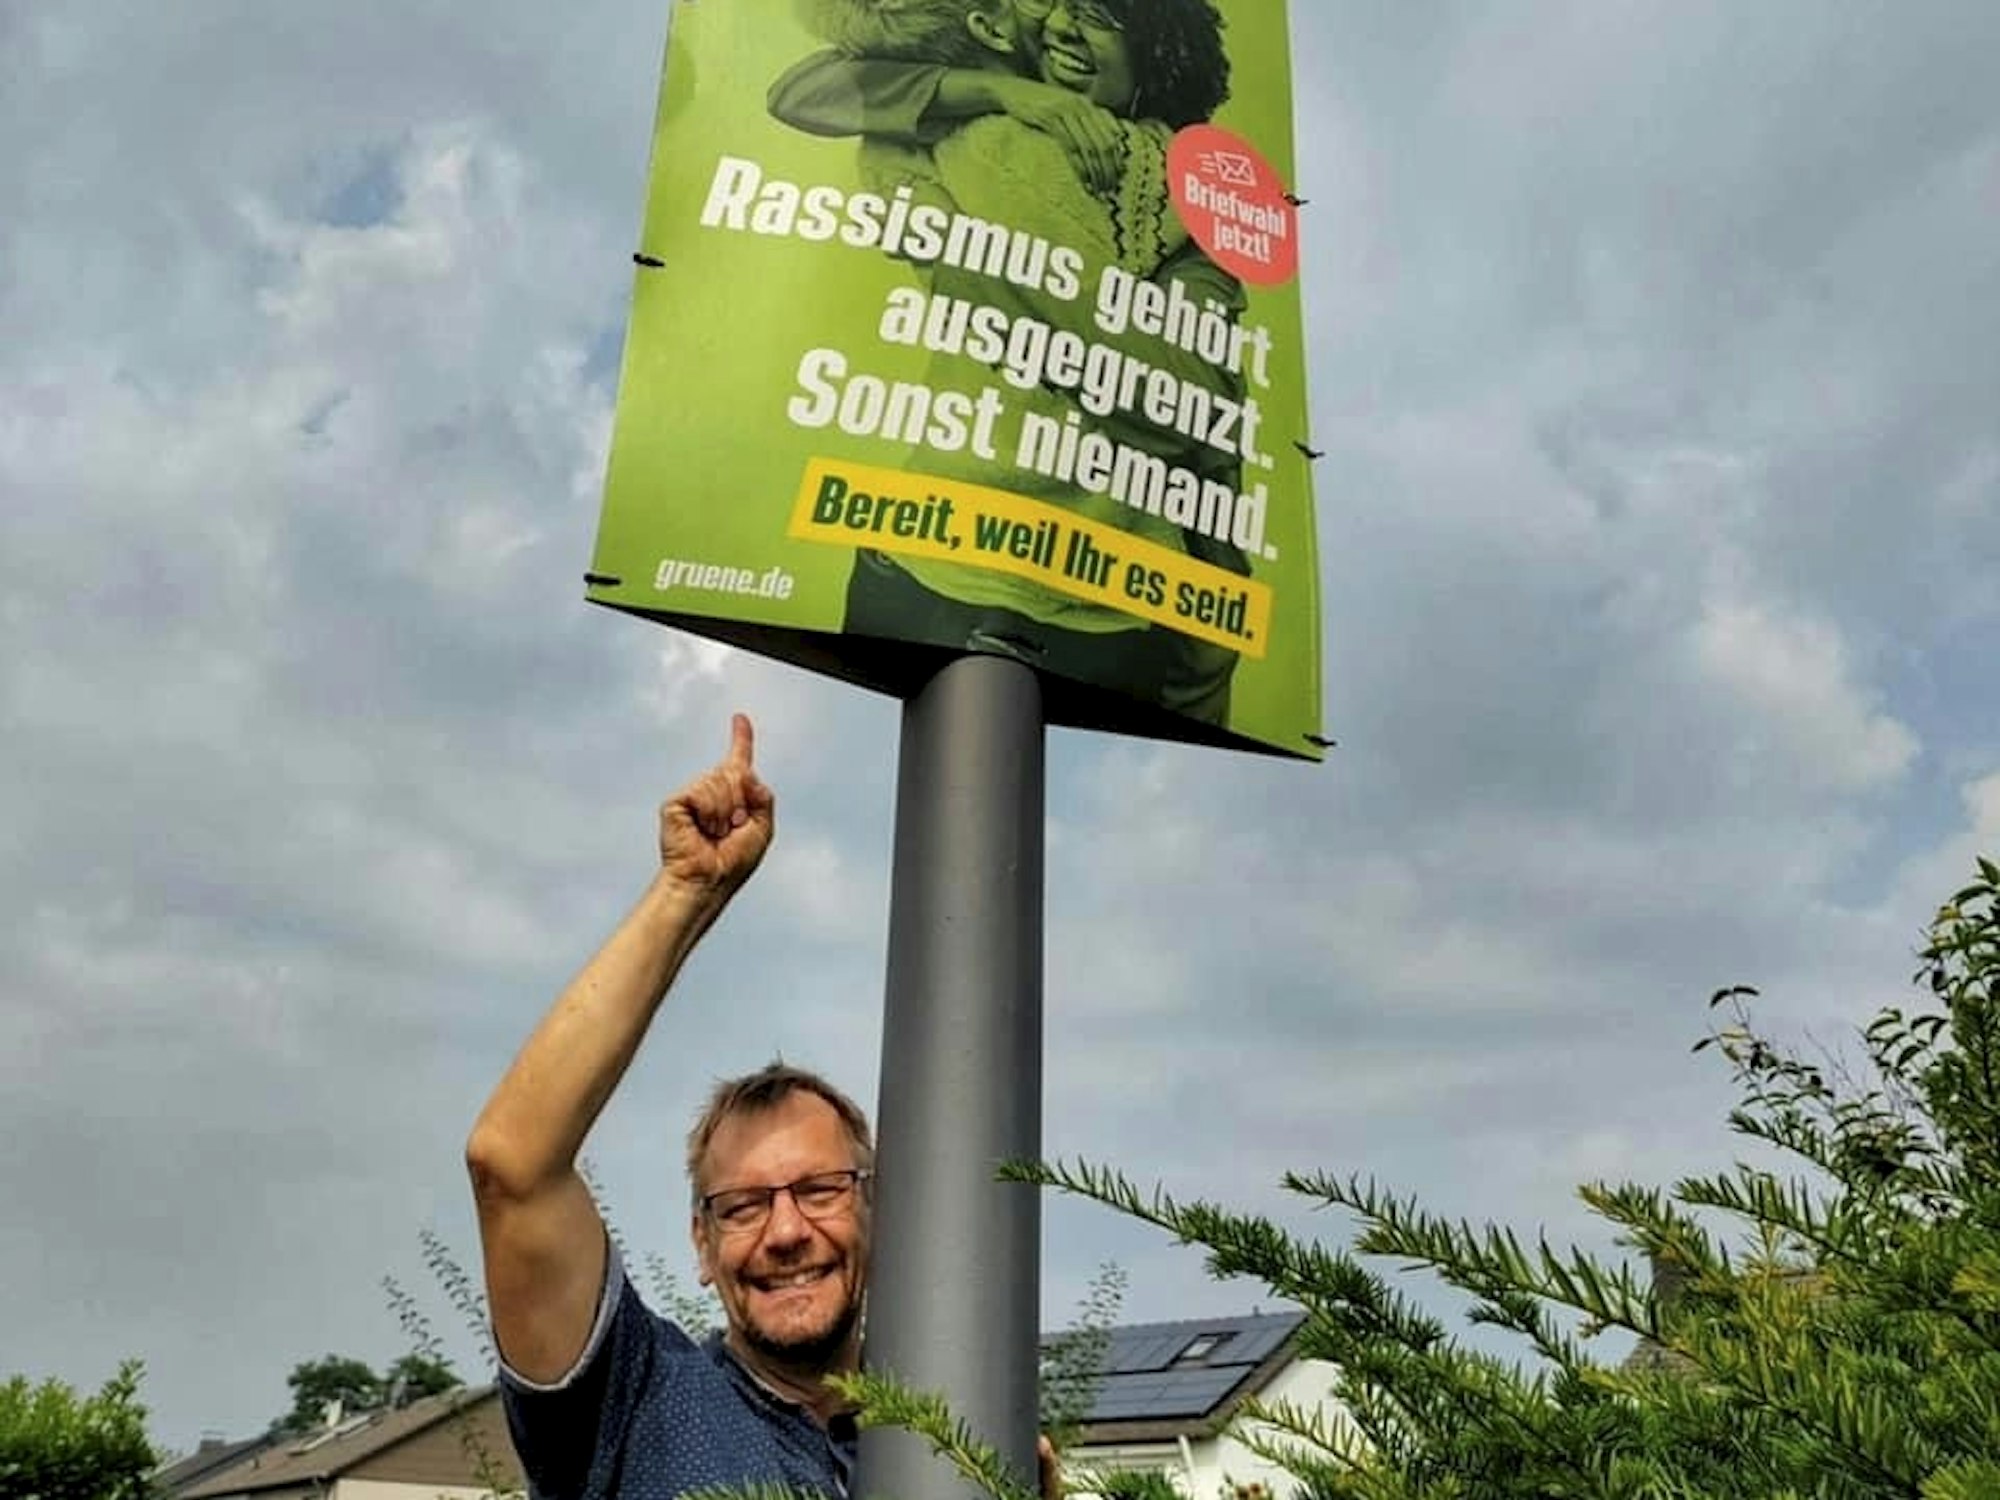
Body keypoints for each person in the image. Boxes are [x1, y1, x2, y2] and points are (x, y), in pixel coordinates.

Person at [467, 717, 1057, 1500]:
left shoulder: (944, 1447)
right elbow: (512, 1164)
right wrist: (688, 890)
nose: (785, 1233)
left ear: (876, 1213)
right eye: (743, 1207)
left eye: (819, 1191)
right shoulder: (639, 1403)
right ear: (702, 1246)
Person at [770, 0, 1252, 726]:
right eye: (1058, 3)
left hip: (1101, 605)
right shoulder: (955, 115)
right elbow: (801, 91)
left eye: (1096, 14)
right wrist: (1010, 94)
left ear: (1158, 46)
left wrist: (977, 261)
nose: (1061, 24)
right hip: (927, 557)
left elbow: (1188, 409)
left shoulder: (1196, 190)